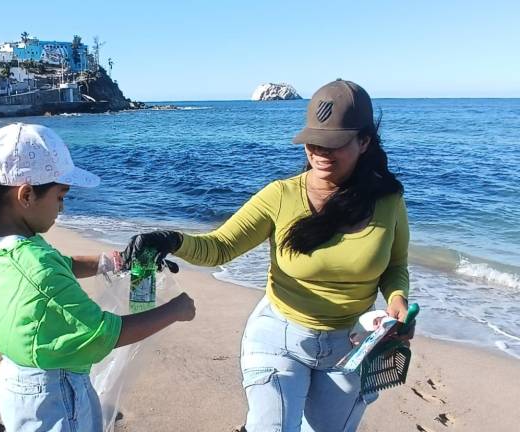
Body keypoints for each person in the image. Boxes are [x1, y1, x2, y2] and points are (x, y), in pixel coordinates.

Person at [122, 80, 411, 432]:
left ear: (364, 141)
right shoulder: (280, 195)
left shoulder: (388, 200)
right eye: (313, 141)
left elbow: (395, 265)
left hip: (350, 347)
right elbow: (220, 247)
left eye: (334, 143)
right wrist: (170, 240)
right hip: (280, 336)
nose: (321, 152)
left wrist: (397, 299)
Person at [0, 123, 196, 431]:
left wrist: (112, 261)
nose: (62, 208)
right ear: (26, 195)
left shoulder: (1, 245)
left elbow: (61, 265)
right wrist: (175, 310)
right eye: (61, 196)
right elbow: (102, 335)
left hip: (18, 378)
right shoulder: (38, 268)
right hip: (55, 392)